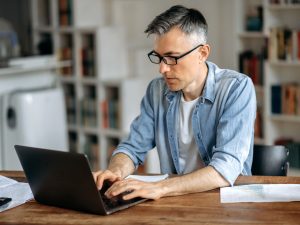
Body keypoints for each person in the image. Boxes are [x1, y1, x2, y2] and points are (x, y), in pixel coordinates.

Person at [93, 5, 256, 200]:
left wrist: (160, 188)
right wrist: (116, 171)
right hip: (174, 200)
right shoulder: (156, 90)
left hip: (224, 201)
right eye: (159, 57)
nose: (162, 69)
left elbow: (225, 168)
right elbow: (132, 147)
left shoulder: (237, 88)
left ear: (202, 53)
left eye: (172, 57)